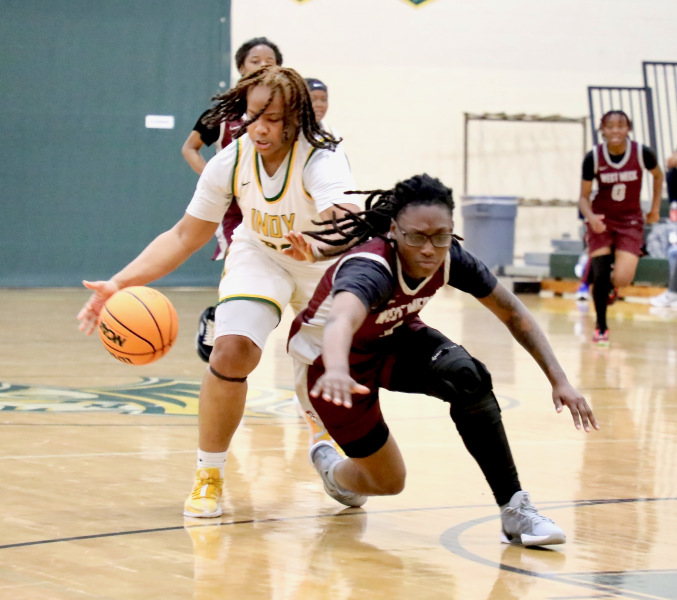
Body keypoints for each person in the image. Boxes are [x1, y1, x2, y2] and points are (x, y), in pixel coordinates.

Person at [77, 66, 361, 519]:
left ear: (296, 118)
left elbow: (346, 221)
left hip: (322, 263)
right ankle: (208, 474)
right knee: (230, 351)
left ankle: (323, 437)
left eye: (274, 119)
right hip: (261, 254)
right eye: (253, 117)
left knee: (328, 379)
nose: (260, 129)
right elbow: (183, 236)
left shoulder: (321, 154)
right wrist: (119, 283)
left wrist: (318, 245)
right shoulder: (231, 160)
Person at [286, 173, 599, 546]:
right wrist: (337, 368)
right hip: (330, 366)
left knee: (467, 377)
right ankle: (333, 472)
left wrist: (560, 380)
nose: (429, 249)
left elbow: (514, 313)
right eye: (416, 237)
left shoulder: (450, 257)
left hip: (392, 337)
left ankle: (515, 510)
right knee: (389, 482)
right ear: (394, 231)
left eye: (440, 236)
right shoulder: (371, 267)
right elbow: (341, 319)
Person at [181, 37, 284, 362]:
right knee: (238, 260)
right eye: (255, 60)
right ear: (241, 67)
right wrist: (214, 179)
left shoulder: (286, 112)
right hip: (235, 208)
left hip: (274, 204)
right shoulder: (225, 113)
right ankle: (221, 318)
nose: (263, 64)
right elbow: (190, 148)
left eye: (270, 60)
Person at [578, 110, 663, 345]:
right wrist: (591, 217)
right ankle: (601, 327)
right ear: (602, 130)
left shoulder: (642, 153)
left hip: (630, 220)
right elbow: (583, 198)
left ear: (628, 129)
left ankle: (603, 278)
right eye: (610, 126)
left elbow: (658, 176)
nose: (615, 130)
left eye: (620, 125)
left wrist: (655, 209)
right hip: (602, 219)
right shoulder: (593, 157)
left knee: (623, 278)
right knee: (601, 275)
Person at [650, 147, 677, 307]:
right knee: (674, 252)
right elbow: (670, 162)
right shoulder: (673, 175)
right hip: (674, 226)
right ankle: (673, 294)